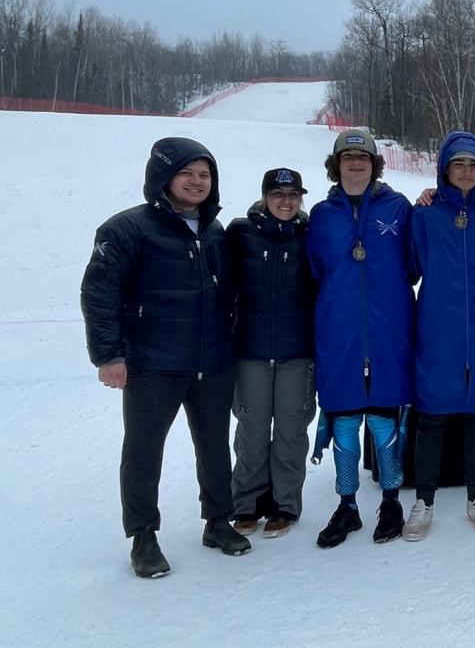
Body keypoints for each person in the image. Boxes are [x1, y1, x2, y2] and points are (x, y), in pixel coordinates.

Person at [81, 136, 250, 578]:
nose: (197, 182)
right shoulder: (125, 230)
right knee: (143, 449)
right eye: (186, 173)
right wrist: (109, 355)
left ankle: (218, 522)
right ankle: (143, 536)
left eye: (204, 174)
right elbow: (100, 295)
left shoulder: (214, 231)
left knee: (214, 445)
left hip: (212, 360)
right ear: (163, 177)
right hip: (153, 362)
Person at [307, 128, 415, 547]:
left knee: (386, 419)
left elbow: (412, 264)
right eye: (348, 157)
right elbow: (316, 268)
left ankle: (391, 500)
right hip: (339, 329)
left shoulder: (398, 208)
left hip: (389, 328)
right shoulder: (321, 214)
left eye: (364, 157)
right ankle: (347, 505)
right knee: (346, 420)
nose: (356, 163)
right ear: (336, 165)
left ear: (374, 164)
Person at [402, 131, 475, 539]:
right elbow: (410, 267)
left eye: (474, 165)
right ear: (444, 169)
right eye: (458, 164)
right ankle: (424, 499)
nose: (466, 171)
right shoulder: (425, 215)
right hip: (439, 330)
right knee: (432, 417)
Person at [226, 167, 317, 538]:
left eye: (293, 196)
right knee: (252, 428)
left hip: (298, 352)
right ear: (265, 197)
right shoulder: (240, 233)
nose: (286, 202)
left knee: (291, 432)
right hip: (252, 352)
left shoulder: (311, 234)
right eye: (279, 195)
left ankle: (285, 505)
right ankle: (246, 504)